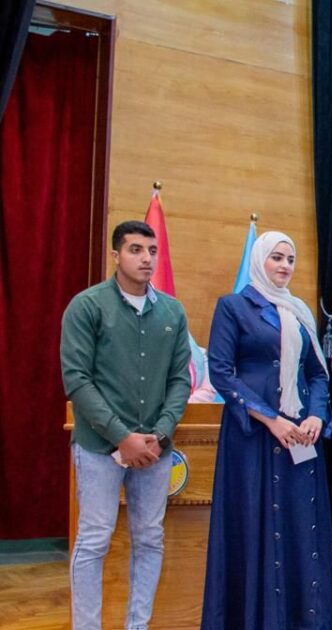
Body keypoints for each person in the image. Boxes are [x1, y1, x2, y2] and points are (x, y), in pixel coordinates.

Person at [201, 231, 332, 629]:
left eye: (290, 259)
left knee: (300, 529)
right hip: (252, 438)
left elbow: (317, 374)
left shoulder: (299, 312)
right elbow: (221, 373)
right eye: (276, 257)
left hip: (299, 437)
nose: (284, 265)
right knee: (254, 526)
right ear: (259, 260)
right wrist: (269, 418)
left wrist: (316, 416)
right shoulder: (234, 306)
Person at [60, 220, 192, 630]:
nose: (146, 258)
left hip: (156, 449)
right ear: (116, 255)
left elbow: (180, 380)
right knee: (94, 539)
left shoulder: (172, 311)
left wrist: (161, 435)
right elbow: (76, 380)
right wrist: (122, 437)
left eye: (152, 250)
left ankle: (138, 625)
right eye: (136, 250)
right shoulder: (87, 306)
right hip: (99, 448)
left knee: (150, 539)